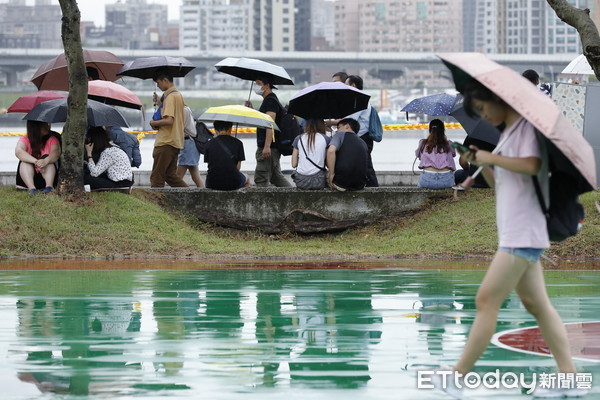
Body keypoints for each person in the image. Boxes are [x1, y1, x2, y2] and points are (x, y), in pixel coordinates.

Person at [439, 78, 583, 398]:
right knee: (538, 305)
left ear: (499, 98)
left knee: (486, 300)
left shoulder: (528, 131)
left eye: (482, 107)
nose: (482, 114)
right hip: (517, 229)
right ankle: (569, 377)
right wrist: (480, 163)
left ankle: (456, 376)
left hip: (523, 232)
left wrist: (490, 159)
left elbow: (533, 165)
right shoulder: (508, 135)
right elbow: (502, 183)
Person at [248, 75, 292, 188]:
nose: (255, 87)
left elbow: (269, 124)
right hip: (272, 146)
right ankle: (293, 195)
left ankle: (260, 203)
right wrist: (251, 110)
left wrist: (267, 146)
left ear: (267, 86)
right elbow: (264, 122)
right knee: (275, 176)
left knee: (261, 178)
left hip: (269, 147)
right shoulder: (270, 100)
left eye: (258, 83)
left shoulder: (270, 101)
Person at [148, 69, 188, 188]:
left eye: (158, 82)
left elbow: (169, 120)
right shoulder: (178, 95)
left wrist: (153, 122)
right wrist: (160, 103)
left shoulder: (170, 97)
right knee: (170, 176)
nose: (158, 85)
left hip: (165, 141)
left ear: (165, 80)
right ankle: (190, 196)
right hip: (175, 141)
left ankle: (155, 205)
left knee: (157, 177)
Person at [344, 75, 379, 187]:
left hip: (363, 137)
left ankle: (374, 191)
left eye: (346, 85)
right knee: (362, 164)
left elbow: (350, 121)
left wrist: (331, 123)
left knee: (366, 165)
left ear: (353, 85)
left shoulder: (358, 100)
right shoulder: (359, 99)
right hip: (362, 137)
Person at [15, 120, 61, 194]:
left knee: (46, 158)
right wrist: (36, 162)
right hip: (28, 178)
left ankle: (49, 186)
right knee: (25, 161)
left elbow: (56, 153)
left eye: (48, 123)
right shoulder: (25, 139)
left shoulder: (52, 139)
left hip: (47, 176)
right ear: (35, 127)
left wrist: (46, 160)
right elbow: (18, 151)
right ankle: (31, 188)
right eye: (44, 124)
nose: (48, 126)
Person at [203, 120, 249, 191]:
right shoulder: (238, 143)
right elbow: (237, 167)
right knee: (247, 177)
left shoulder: (208, 144)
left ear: (215, 130)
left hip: (212, 183)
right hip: (233, 182)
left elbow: (210, 165)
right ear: (230, 129)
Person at [326, 118, 368, 191]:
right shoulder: (363, 142)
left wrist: (331, 174)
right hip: (360, 185)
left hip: (341, 184)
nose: (337, 130)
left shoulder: (340, 134)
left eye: (338, 128)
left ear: (347, 126)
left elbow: (331, 151)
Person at [414, 119, 456, 189]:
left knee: (420, 181)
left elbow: (418, 155)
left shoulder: (423, 143)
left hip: (427, 180)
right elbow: (453, 154)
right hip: (446, 180)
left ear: (430, 130)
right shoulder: (449, 144)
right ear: (443, 131)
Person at [291, 118, 330, 190]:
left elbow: (294, 164)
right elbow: (328, 164)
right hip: (319, 181)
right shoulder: (326, 139)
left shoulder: (298, 138)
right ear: (321, 125)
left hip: (301, 181)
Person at [177, 105, 204, 188]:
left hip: (188, 144)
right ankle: (203, 193)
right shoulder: (186, 109)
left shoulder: (182, 110)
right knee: (195, 176)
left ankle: (187, 192)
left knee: (178, 176)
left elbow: (179, 127)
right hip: (191, 144)